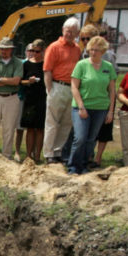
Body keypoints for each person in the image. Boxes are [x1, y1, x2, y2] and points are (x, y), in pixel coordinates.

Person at [68, 36, 117, 174]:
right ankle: (73, 166)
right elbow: (74, 87)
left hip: (101, 108)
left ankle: (84, 164)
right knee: (80, 137)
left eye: (97, 50)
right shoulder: (81, 65)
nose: (94, 52)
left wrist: (110, 111)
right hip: (82, 106)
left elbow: (112, 90)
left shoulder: (108, 67)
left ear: (103, 51)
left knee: (91, 139)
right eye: (91, 49)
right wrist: (81, 106)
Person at [42, 18, 82, 164]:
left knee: (66, 122)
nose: (69, 34)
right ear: (63, 30)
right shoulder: (54, 47)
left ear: (77, 33)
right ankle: (48, 153)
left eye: (72, 32)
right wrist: (50, 90)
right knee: (52, 121)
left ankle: (58, 151)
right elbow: (47, 70)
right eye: (67, 31)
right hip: (56, 86)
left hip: (71, 87)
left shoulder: (77, 49)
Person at [0, 37, 24, 159]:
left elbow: (16, 81)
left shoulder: (18, 63)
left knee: (9, 128)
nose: (3, 51)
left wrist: (0, 79)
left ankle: (7, 155)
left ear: (11, 49)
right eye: (1, 49)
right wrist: (8, 81)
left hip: (11, 98)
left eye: (6, 49)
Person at [19, 39, 47, 163]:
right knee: (30, 128)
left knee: (40, 129)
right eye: (32, 51)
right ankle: (28, 155)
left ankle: (37, 155)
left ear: (43, 51)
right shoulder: (26, 64)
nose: (34, 54)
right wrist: (28, 81)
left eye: (37, 51)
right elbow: (21, 81)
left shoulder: (46, 65)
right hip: (29, 98)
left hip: (42, 98)